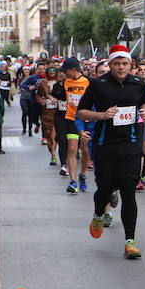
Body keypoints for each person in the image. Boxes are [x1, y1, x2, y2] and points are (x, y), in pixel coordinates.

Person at [77, 45, 145, 260]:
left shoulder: (138, 84)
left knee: (129, 192)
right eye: (117, 63)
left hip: (131, 145)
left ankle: (130, 241)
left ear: (131, 65)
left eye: (125, 63)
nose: (121, 67)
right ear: (109, 65)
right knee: (105, 189)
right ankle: (99, 213)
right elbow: (81, 111)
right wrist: (102, 115)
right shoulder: (98, 84)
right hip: (105, 145)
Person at [61, 57, 91, 194]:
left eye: (65, 71)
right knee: (72, 148)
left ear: (73, 70)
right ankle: (73, 181)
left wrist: (80, 105)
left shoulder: (88, 81)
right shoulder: (66, 82)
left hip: (85, 120)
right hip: (71, 118)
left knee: (85, 150)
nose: (64, 74)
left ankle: (82, 175)